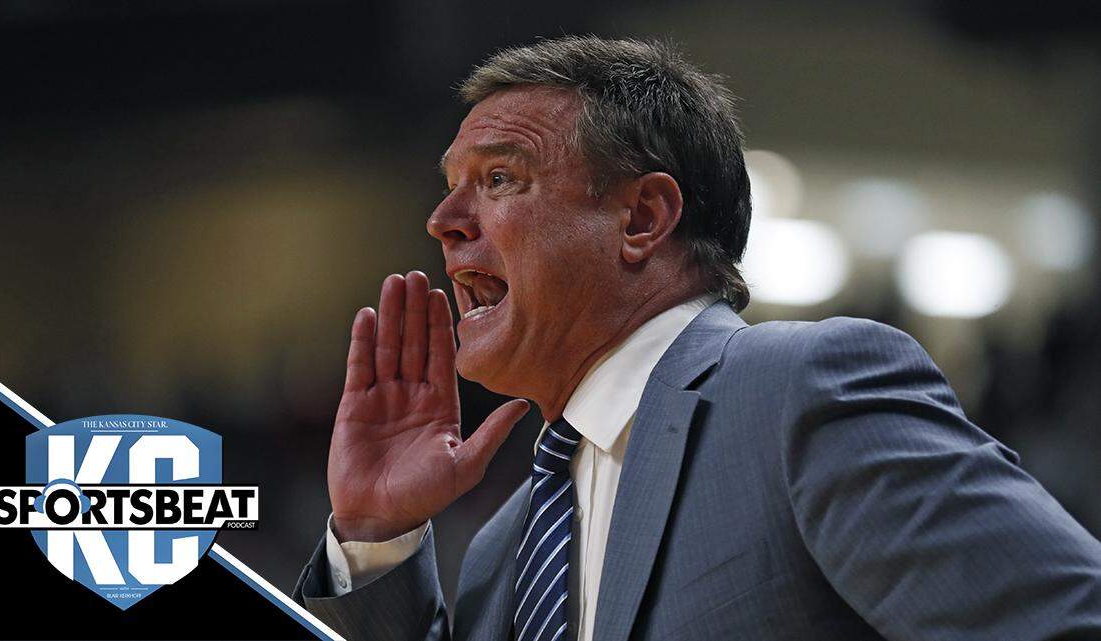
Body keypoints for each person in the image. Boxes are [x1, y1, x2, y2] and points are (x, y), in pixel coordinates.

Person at [293, 36, 1101, 641]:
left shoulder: (795, 391)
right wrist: (378, 536)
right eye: (451, 188)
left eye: (501, 179)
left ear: (642, 218)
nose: (443, 222)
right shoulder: (506, 547)